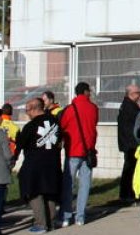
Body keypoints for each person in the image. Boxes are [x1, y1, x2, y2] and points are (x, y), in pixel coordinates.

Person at [15, 97, 62, 234]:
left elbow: (20, 144)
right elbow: (60, 140)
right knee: (50, 191)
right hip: (52, 161)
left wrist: (13, 158)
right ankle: (51, 222)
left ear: (35, 108)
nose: (27, 113)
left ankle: (41, 224)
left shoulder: (30, 126)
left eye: (27, 110)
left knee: (33, 192)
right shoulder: (55, 122)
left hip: (35, 164)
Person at [58, 82, 99, 227]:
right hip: (88, 151)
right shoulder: (93, 108)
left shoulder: (70, 109)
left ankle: (66, 216)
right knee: (85, 185)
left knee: (69, 185)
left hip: (72, 150)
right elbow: (93, 125)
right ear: (86, 92)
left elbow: (62, 126)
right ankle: (80, 216)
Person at [117, 83, 140, 204]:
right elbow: (134, 125)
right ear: (132, 94)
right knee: (130, 169)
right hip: (131, 143)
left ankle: (127, 193)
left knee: (129, 168)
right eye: (138, 93)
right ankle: (127, 193)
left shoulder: (128, 105)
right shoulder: (130, 107)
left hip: (128, 142)